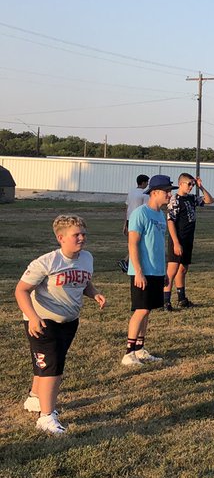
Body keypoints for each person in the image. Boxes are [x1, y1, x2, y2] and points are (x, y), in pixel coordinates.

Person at [15, 215, 107, 435]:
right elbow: (21, 290)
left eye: (83, 233)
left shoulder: (86, 257)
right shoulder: (47, 262)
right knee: (53, 368)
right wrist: (33, 317)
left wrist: (94, 293)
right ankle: (46, 417)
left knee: (49, 363)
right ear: (61, 238)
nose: (82, 238)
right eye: (76, 234)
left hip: (69, 322)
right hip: (43, 323)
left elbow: (83, 281)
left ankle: (35, 398)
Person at [125, 174, 174, 364]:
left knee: (148, 311)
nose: (169, 195)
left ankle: (140, 348)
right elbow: (133, 244)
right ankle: (128, 352)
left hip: (156, 271)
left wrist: (163, 272)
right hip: (142, 272)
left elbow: (158, 245)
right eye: (167, 192)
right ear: (154, 193)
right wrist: (138, 271)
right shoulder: (140, 213)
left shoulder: (160, 215)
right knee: (141, 310)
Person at [163, 172, 214, 310]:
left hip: (188, 239)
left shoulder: (191, 199)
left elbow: (209, 200)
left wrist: (201, 186)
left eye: (192, 184)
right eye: (189, 184)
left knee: (183, 269)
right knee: (172, 270)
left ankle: (182, 298)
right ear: (181, 184)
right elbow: (171, 222)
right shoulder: (175, 200)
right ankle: (165, 300)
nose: (191, 187)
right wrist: (176, 242)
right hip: (177, 239)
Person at [118, 173, 149, 272]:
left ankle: (127, 262)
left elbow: (127, 207)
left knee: (132, 242)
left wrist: (125, 223)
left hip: (129, 219)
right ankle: (125, 261)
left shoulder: (131, 192)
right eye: (147, 182)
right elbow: (146, 209)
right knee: (137, 243)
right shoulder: (144, 194)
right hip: (138, 220)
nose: (147, 184)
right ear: (143, 182)